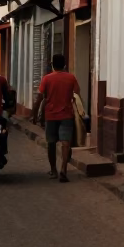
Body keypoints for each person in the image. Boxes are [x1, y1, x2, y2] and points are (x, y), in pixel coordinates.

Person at [32, 54, 80, 183]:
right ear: (64, 65)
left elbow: (39, 98)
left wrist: (34, 114)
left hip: (51, 115)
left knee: (51, 143)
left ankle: (53, 170)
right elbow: (77, 94)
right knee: (66, 142)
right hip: (67, 114)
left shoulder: (47, 79)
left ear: (52, 65)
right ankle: (63, 168)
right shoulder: (71, 78)